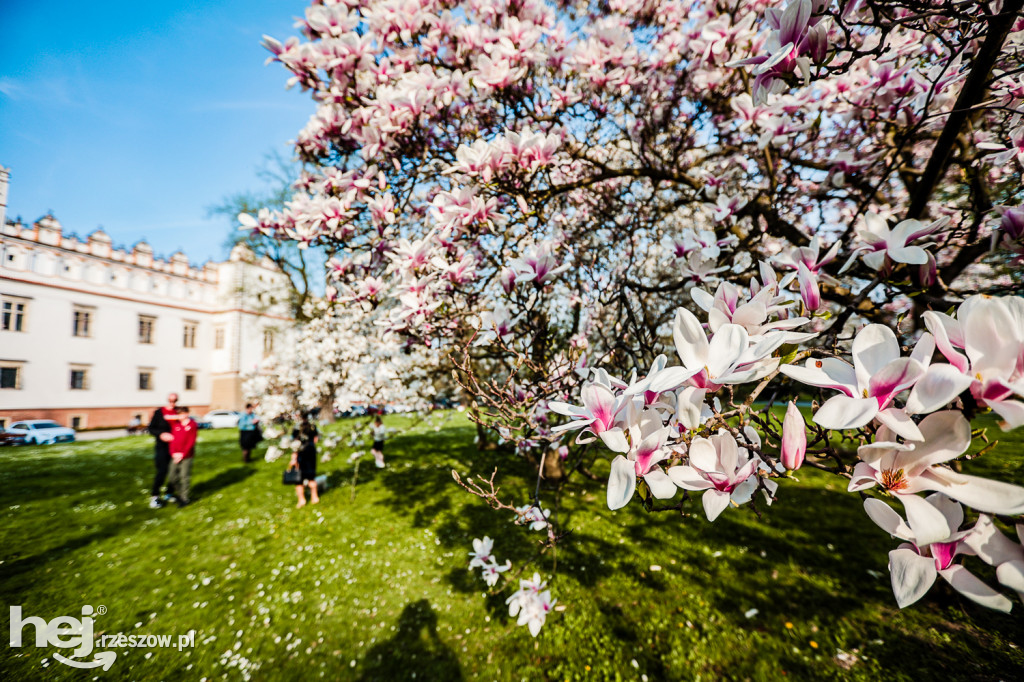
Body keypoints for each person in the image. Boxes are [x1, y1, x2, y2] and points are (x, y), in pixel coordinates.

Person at [148, 393, 179, 508]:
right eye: (170, 400)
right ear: (167, 400)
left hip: (175, 446)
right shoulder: (159, 412)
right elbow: (151, 428)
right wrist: (161, 434)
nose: (172, 403)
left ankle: (169, 493)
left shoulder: (178, 412)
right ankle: (155, 496)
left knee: (174, 471)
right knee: (162, 471)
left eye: (174, 401)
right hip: (162, 446)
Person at [166, 406, 197, 507]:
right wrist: (173, 453)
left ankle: (184, 498)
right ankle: (180, 493)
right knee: (172, 477)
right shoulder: (176, 426)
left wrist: (183, 454)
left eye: (182, 414)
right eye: (178, 414)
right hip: (175, 455)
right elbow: (173, 441)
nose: (180, 416)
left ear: (187, 413)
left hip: (186, 456)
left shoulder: (192, 425)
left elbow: (191, 442)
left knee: (184, 476)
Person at [289, 413, 320, 508]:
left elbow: (294, 443)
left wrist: (293, 458)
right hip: (310, 453)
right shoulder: (312, 427)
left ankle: (301, 500)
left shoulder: (296, 429)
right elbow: (316, 439)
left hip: (301, 455)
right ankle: (314, 497)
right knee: (311, 476)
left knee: (299, 479)